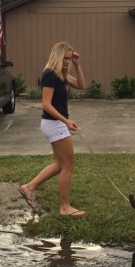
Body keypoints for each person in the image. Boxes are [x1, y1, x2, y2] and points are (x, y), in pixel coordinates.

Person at [20, 42, 87, 216]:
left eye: (70, 59)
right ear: (57, 56)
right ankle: (65, 208)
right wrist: (66, 121)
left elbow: (81, 85)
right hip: (54, 123)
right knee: (68, 165)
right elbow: (46, 105)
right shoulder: (50, 74)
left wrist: (78, 65)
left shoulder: (63, 75)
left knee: (60, 164)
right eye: (65, 58)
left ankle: (29, 187)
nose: (68, 62)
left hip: (57, 123)